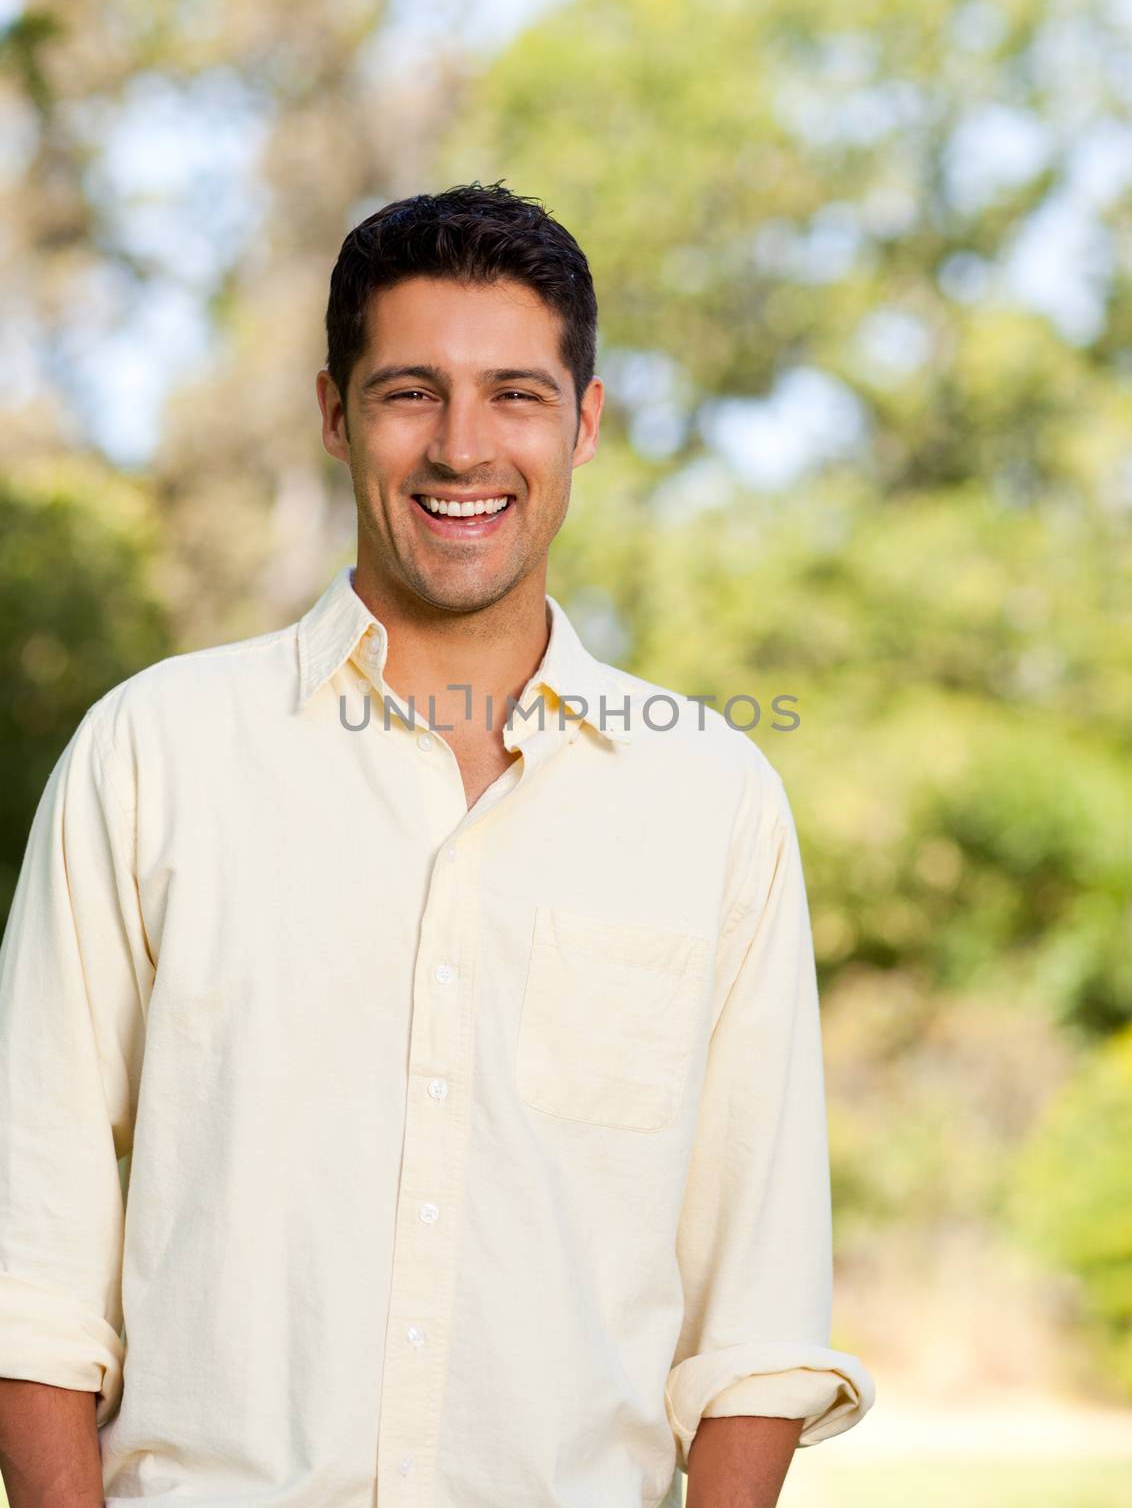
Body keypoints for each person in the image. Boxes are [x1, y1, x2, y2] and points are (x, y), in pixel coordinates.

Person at [0, 182, 874, 1508]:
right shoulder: (152, 756)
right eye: (412, 391)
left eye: (517, 394)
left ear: (585, 421)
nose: (463, 448)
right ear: (335, 413)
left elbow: (753, 1305)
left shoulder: (711, 799)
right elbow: (31, 1253)